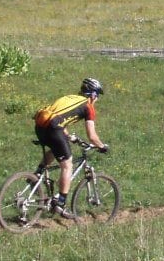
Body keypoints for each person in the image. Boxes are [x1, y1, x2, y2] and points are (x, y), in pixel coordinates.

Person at [33, 78, 109, 214]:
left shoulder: (70, 97)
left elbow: (61, 119)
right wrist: (101, 146)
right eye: (97, 95)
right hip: (53, 127)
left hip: (41, 125)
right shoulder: (88, 106)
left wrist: (69, 137)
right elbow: (92, 136)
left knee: (54, 148)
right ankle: (61, 202)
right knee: (67, 165)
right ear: (92, 95)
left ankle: (36, 175)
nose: (97, 99)